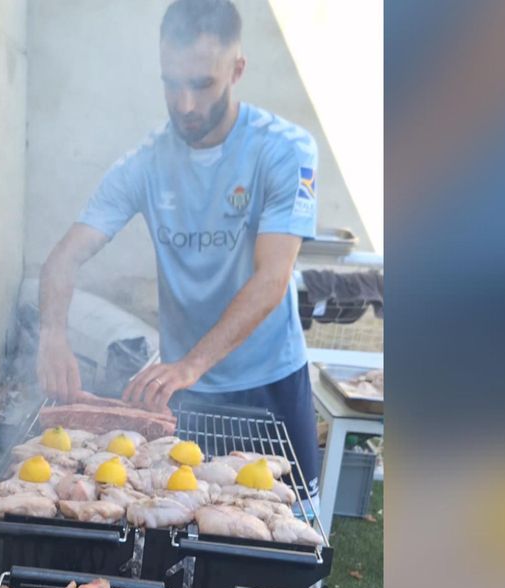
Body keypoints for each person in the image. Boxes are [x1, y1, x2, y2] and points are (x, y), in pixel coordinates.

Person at [35, 0, 322, 495]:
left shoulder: (284, 149)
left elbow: (272, 278)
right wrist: (52, 333)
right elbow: (66, 256)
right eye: (171, 82)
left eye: (202, 84)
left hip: (270, 382)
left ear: (237, 69)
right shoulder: (144, 164)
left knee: (287, 538)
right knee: (185, 535)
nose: (185, 105)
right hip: (183, 395)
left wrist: (190, 362)